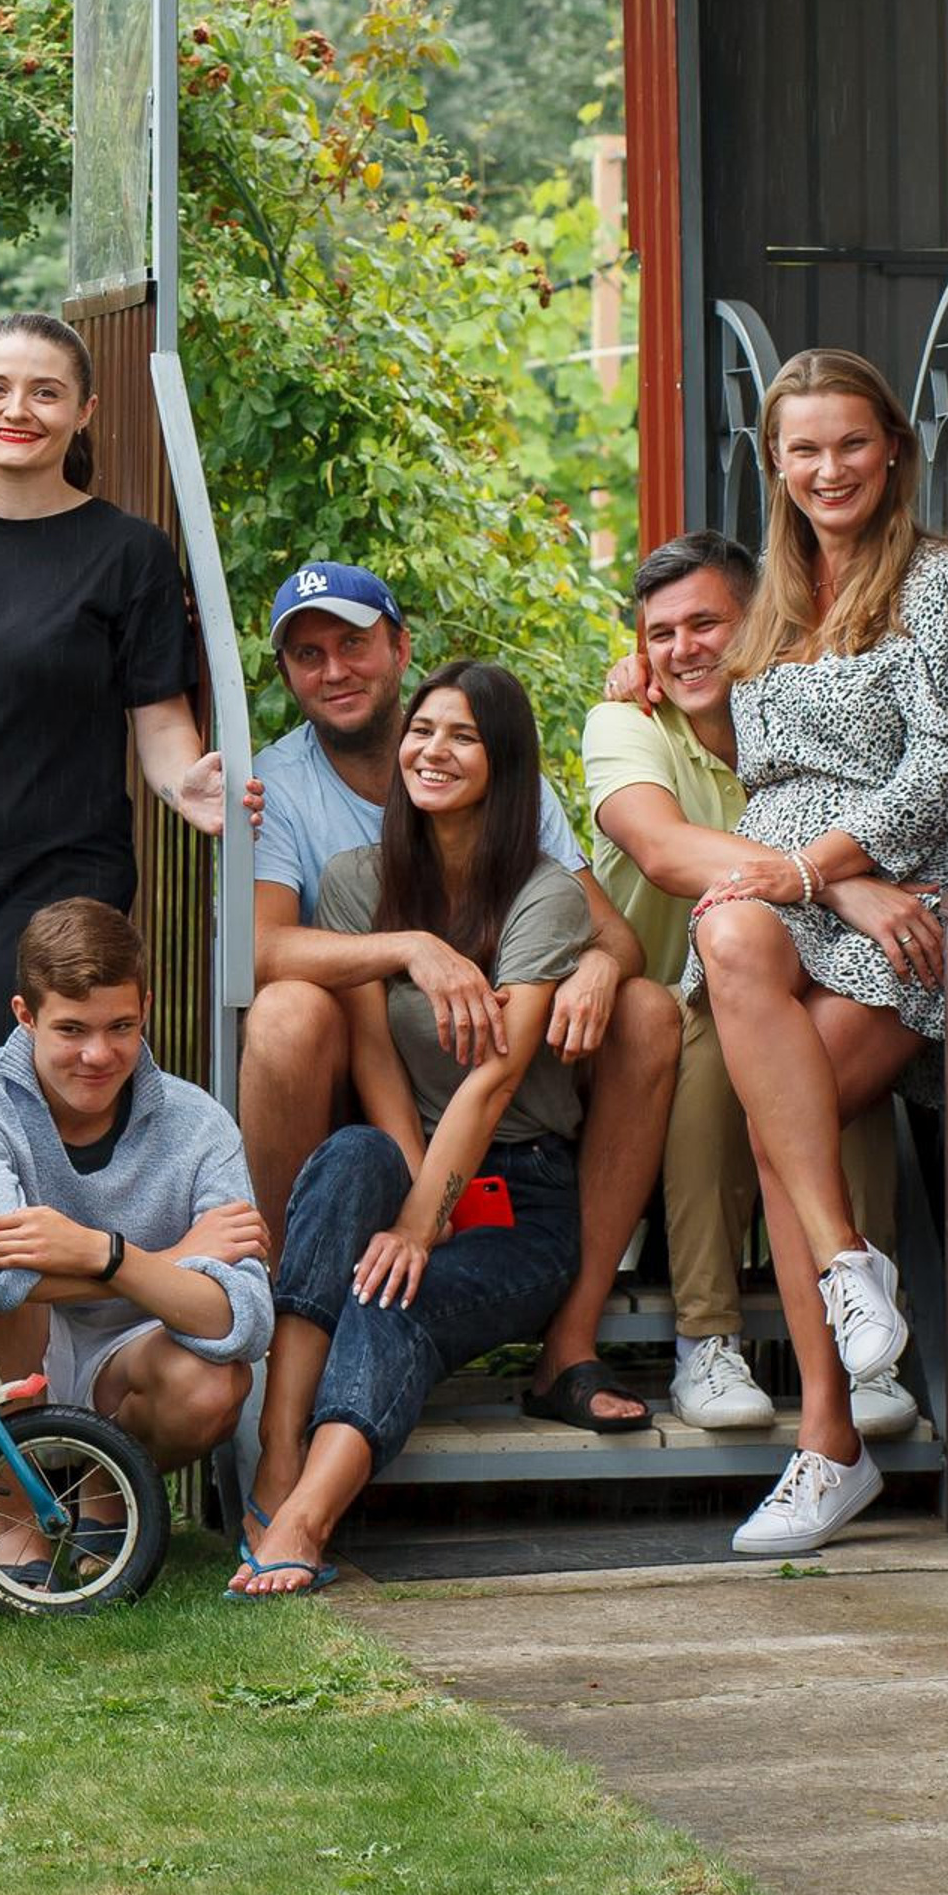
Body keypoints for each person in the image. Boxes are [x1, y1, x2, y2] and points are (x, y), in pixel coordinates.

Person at [0, 310, 224, 1380]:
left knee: (23, 1123)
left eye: (44, 392)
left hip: (56, 886)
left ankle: (59, 1394)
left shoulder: (127, 554)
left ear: (83, 412)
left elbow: (159, 727)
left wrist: (186, 780)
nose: (18, 410)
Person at [236, 561, 676, 1435]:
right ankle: (284, 1330)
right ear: (286, 672)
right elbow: (261, 950)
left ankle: (571, 1340)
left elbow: (612, 935)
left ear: (400, 648)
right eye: (308, 654)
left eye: (354, 645)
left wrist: (595, 968)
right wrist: (412, 947)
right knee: (288, 1011)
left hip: (502, 1088)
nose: (334, 671)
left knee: (649, 1010)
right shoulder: (279, 787)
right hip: (372, 1081)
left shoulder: (492, 770)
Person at [684, 349, 948, 1554]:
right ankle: (849, 1273)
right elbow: (759, 774)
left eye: (850, 443)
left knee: (780, 1118)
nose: (829, 469)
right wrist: (818, 883)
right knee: (730, 927)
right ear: (774, 463)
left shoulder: (941, 582)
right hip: (800, 892)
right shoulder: (768, 594)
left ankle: (828, 1441)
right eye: (803, 448)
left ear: (894, 450)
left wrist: (839, 874)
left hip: (909, 893)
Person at [238, 662, 593, 1597]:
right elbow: (373, 1056)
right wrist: (402, 1181)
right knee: (354, 1153)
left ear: (506, 761)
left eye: (463, 736)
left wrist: (420, 1224)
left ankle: (307, 1519)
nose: (432, 750)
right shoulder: (360, 883)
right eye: (423, 731)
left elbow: (495, 1077)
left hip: (519, 1194)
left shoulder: (544, 895)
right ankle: (274, 1451)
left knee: (393, 1292)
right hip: (416, 1164)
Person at [583, 530, 912, 1437]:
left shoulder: (802, 712)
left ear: (760, 620)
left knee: (838, 1043)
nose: (682, 649)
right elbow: (662, 849)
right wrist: (835, 879)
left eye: (705, 624)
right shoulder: (627, 722)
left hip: (791, 985)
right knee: (701, 1029)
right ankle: (707, 1337)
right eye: (659, 635)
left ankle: (869, 1349)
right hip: (653, 1009)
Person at [0, 899, 271, 1548]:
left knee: (215, 1382)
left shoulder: (199, 1125)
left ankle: (110, 1491)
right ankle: (14, 1508)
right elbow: (0, 1284)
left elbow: (243, 1320)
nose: (98, 1053)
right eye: (71, 1029)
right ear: (25, 1017)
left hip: (134, 1358)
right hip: (3, 1350)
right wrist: (174, 1259)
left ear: (146, 1007)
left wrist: (100, 1253)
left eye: (121, 1026)